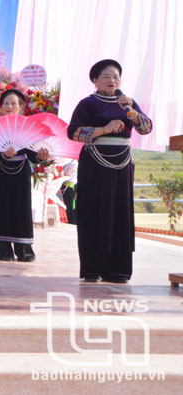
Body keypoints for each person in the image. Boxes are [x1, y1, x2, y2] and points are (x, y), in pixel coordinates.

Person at [68, 59, 152, 283]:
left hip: (122, 164)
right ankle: (92, 268)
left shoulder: (128, 103)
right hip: (94, 163)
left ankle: (118, 270)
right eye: (106, 77)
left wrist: (132, 113)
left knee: (120, 211)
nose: (112, 80)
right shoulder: (88, 103)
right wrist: (104, 129)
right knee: (94, 209)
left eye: (116, 77)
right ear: (95, 80)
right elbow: (73, 132)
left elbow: (146, 128)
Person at [0, 89, 49, 262]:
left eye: (13, 103)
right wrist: (4, 154)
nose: (9, 106)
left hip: (20, 174)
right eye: (6, 103)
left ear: (21, 107)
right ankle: (3, 250)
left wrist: (40, 156)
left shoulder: (27, 128)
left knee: (21, 210)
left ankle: (24, 249)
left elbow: (32, 153)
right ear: (0, 108)